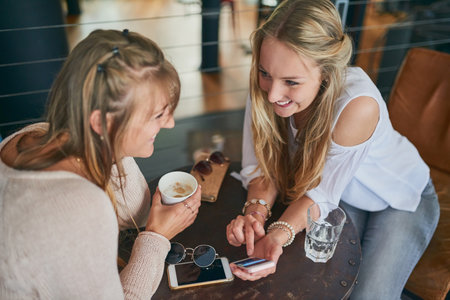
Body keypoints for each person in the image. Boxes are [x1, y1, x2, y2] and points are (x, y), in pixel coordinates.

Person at [225, 0, 440, 298]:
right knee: (319, 283)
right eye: (265, 74)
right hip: (340, 193)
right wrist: (256, 213)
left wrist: (278, 234)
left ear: (326, 72)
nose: (273, 94)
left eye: (291, 82)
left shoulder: (357, 104)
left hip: (396, 198)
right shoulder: (269, 82)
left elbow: (320, 194)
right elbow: (262, 164)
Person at [0, 29, 202, 299]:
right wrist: (156, 237)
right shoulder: (82, 206)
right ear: (101, 123)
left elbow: (135, 209)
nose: (169, 123)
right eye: (157, 115)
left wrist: (115, 144)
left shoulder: (35, 134)